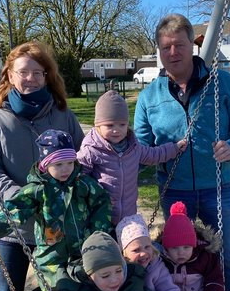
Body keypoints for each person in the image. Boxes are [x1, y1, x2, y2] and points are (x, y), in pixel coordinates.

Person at [133, 13, 230, 291]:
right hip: (174, 191)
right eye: (165, 47)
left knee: (225, 256)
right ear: (158, 51)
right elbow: (139, 148)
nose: (172, 53)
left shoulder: (222, 84)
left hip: (217, 188)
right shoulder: (150, 96)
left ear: (192, 44)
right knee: (177, 258)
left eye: (179, 44)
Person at [0, 41, 85, 291]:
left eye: (38, 73)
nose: (31, 79)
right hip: (15, 228)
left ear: (47, 76)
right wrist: (23, 197)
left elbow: (82, 157)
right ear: (9, 75)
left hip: (58, 224)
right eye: (23, 72)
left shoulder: (62, 114)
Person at [0, 129, 112, 291]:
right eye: (58, 164)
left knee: (87, 287)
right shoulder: (38, 189)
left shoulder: (83, 183)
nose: (66, 169)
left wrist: (97, 231)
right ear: (45, 164)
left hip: (83, 247)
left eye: (70, 163)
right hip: (51, 252)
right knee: (56, 290)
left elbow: (102, 202)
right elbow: (15, 209)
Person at [77, 90, 186, 225]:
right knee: (108, 245)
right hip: (101, 216)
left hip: (128, 215)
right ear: (98, 125)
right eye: (109, 125)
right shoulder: (91, 149)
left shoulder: (133, 147)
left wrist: (174, 148)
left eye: (122, 125)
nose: (116, 130)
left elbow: (153, 155)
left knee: (131, 245)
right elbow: (78, 177)